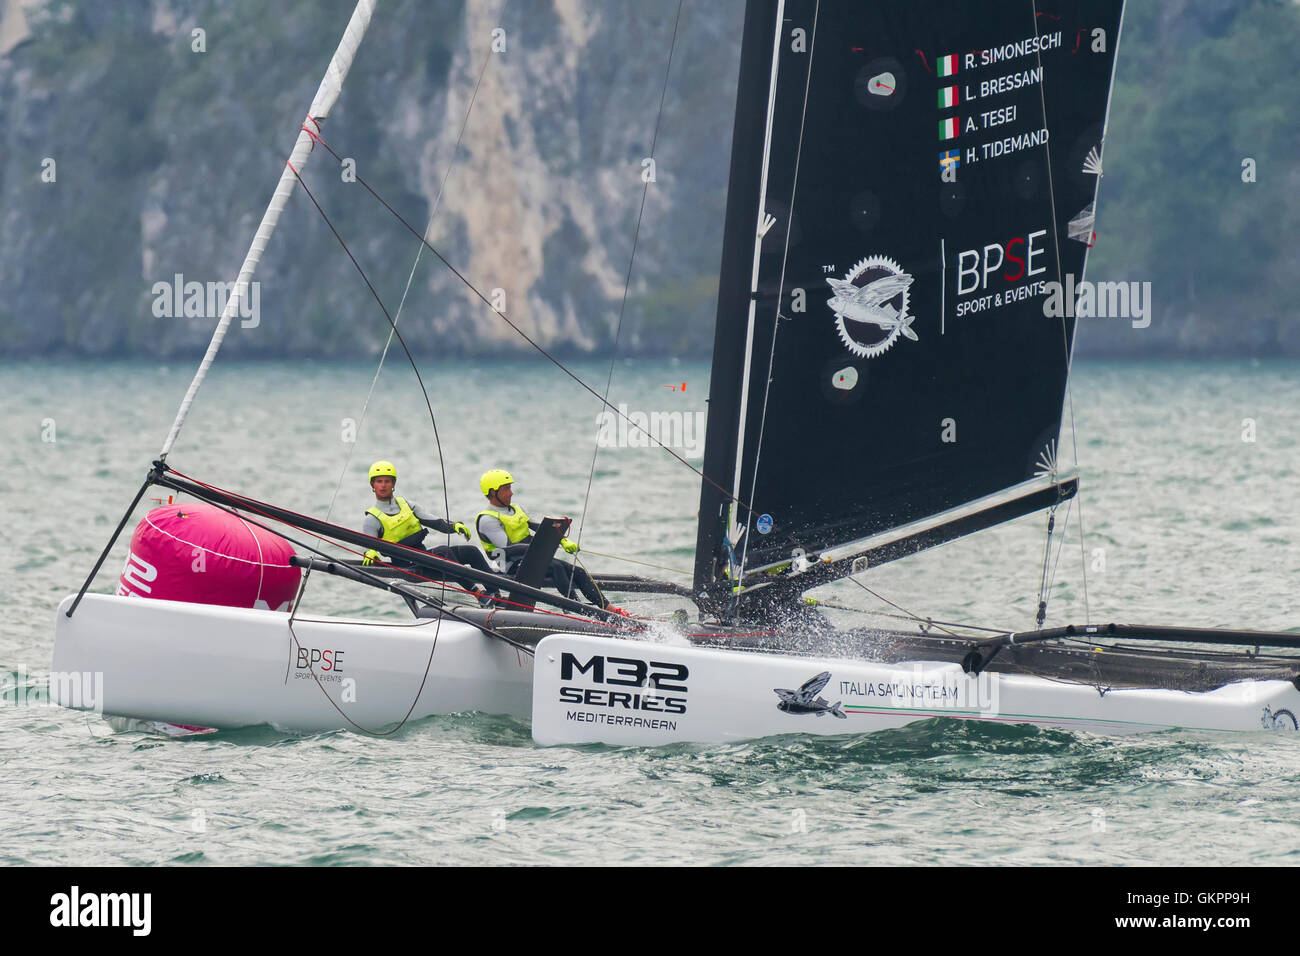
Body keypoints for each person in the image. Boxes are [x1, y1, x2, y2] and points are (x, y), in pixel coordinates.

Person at [475, 468, 625, 615]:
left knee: (578, 572)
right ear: (493, 492)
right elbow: (508, 549)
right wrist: (541, 548)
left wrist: (562, 540)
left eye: (510, 488)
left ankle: (608, 609)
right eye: (506, 489)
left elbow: (538, 528)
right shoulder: (488, 519)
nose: (511, 493)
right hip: (508, 565)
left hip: (530, 557)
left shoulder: (516, 509)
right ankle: (579, 610)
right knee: (557, 568)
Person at [361, 460, 497, 605]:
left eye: (387, 481)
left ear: (393, 484)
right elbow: (368, 547)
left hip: (425, 559)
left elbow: (436, 522)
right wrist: (369, 552)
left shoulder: (408, 505)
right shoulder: (372, 519)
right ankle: (478, 595)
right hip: (409, 568)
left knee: (471, 551)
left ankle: (496, 593)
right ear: (372, 485)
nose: (383, 485)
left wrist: (454, 526)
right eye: (379, 481)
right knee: (443, 551)